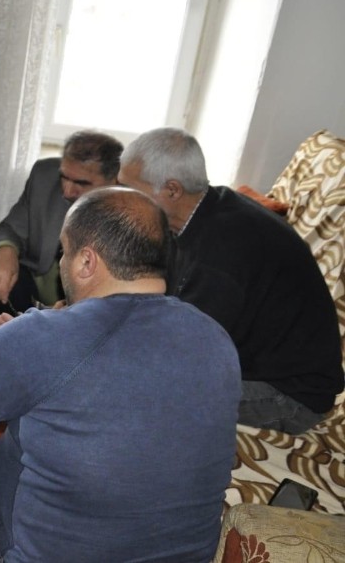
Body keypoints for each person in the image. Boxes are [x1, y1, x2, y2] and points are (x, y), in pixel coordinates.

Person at [0, 187, 241, 562]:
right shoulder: (216, 339)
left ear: (86, 262)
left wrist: (8, 350)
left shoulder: (41, 337)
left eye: (64, 250)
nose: (61, 261)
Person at [118, 127, 344, 434]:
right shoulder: (209, 209)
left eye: (131, 190)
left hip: (289, 397)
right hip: (249, 364)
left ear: (171, 190)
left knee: (138, 390)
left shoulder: (222, 254)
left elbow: (180, 353)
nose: (122, 200)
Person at [0, 131, 123, 352]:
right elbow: (12, 228)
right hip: (36, 282)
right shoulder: (44, 175)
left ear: (114, 179)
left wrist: (65, 310)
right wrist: (5, 252)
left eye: (81, 182)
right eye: (64, 177)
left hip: (88, 300)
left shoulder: (129, 208)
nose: (67, 191)